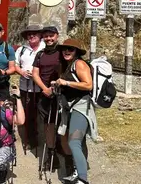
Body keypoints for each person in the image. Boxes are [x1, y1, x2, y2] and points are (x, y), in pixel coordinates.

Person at [50, 39, 98, 184]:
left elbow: (88, 85)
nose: (67, 51)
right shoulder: (68, 65)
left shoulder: (79, 64)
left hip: (80, 107)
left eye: (70, 49)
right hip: (70, 107)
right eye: (64, 49)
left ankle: (82, 179)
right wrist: (58, 84)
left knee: (74, 142)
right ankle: (78, 172)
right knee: (79, 142)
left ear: (76, 51)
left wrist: (66, 82)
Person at [31, 25, 63, 170]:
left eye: (52, 36)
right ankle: (51, 154)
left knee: (62, 125)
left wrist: (55, 87)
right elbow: (35, 74)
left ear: (57, 36)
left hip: (60, 94)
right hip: (44, 94)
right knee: (48, 126)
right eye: (46, 36)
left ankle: (66, 153)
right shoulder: (40, 54)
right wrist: (45, 89)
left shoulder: (63, 52)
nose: (49, 39)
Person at [14, 23, 46, 152]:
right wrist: (22, 72)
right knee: (27, 113)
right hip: (25, 87)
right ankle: (31, 140)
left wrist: (37, 75)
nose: (31, 36)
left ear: (40, 35)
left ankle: (47, 140)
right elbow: (16, 65)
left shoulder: (45, 49)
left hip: (41, 87)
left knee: (42, 113)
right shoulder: (21, 49)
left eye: (34, 33)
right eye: (29, 34)